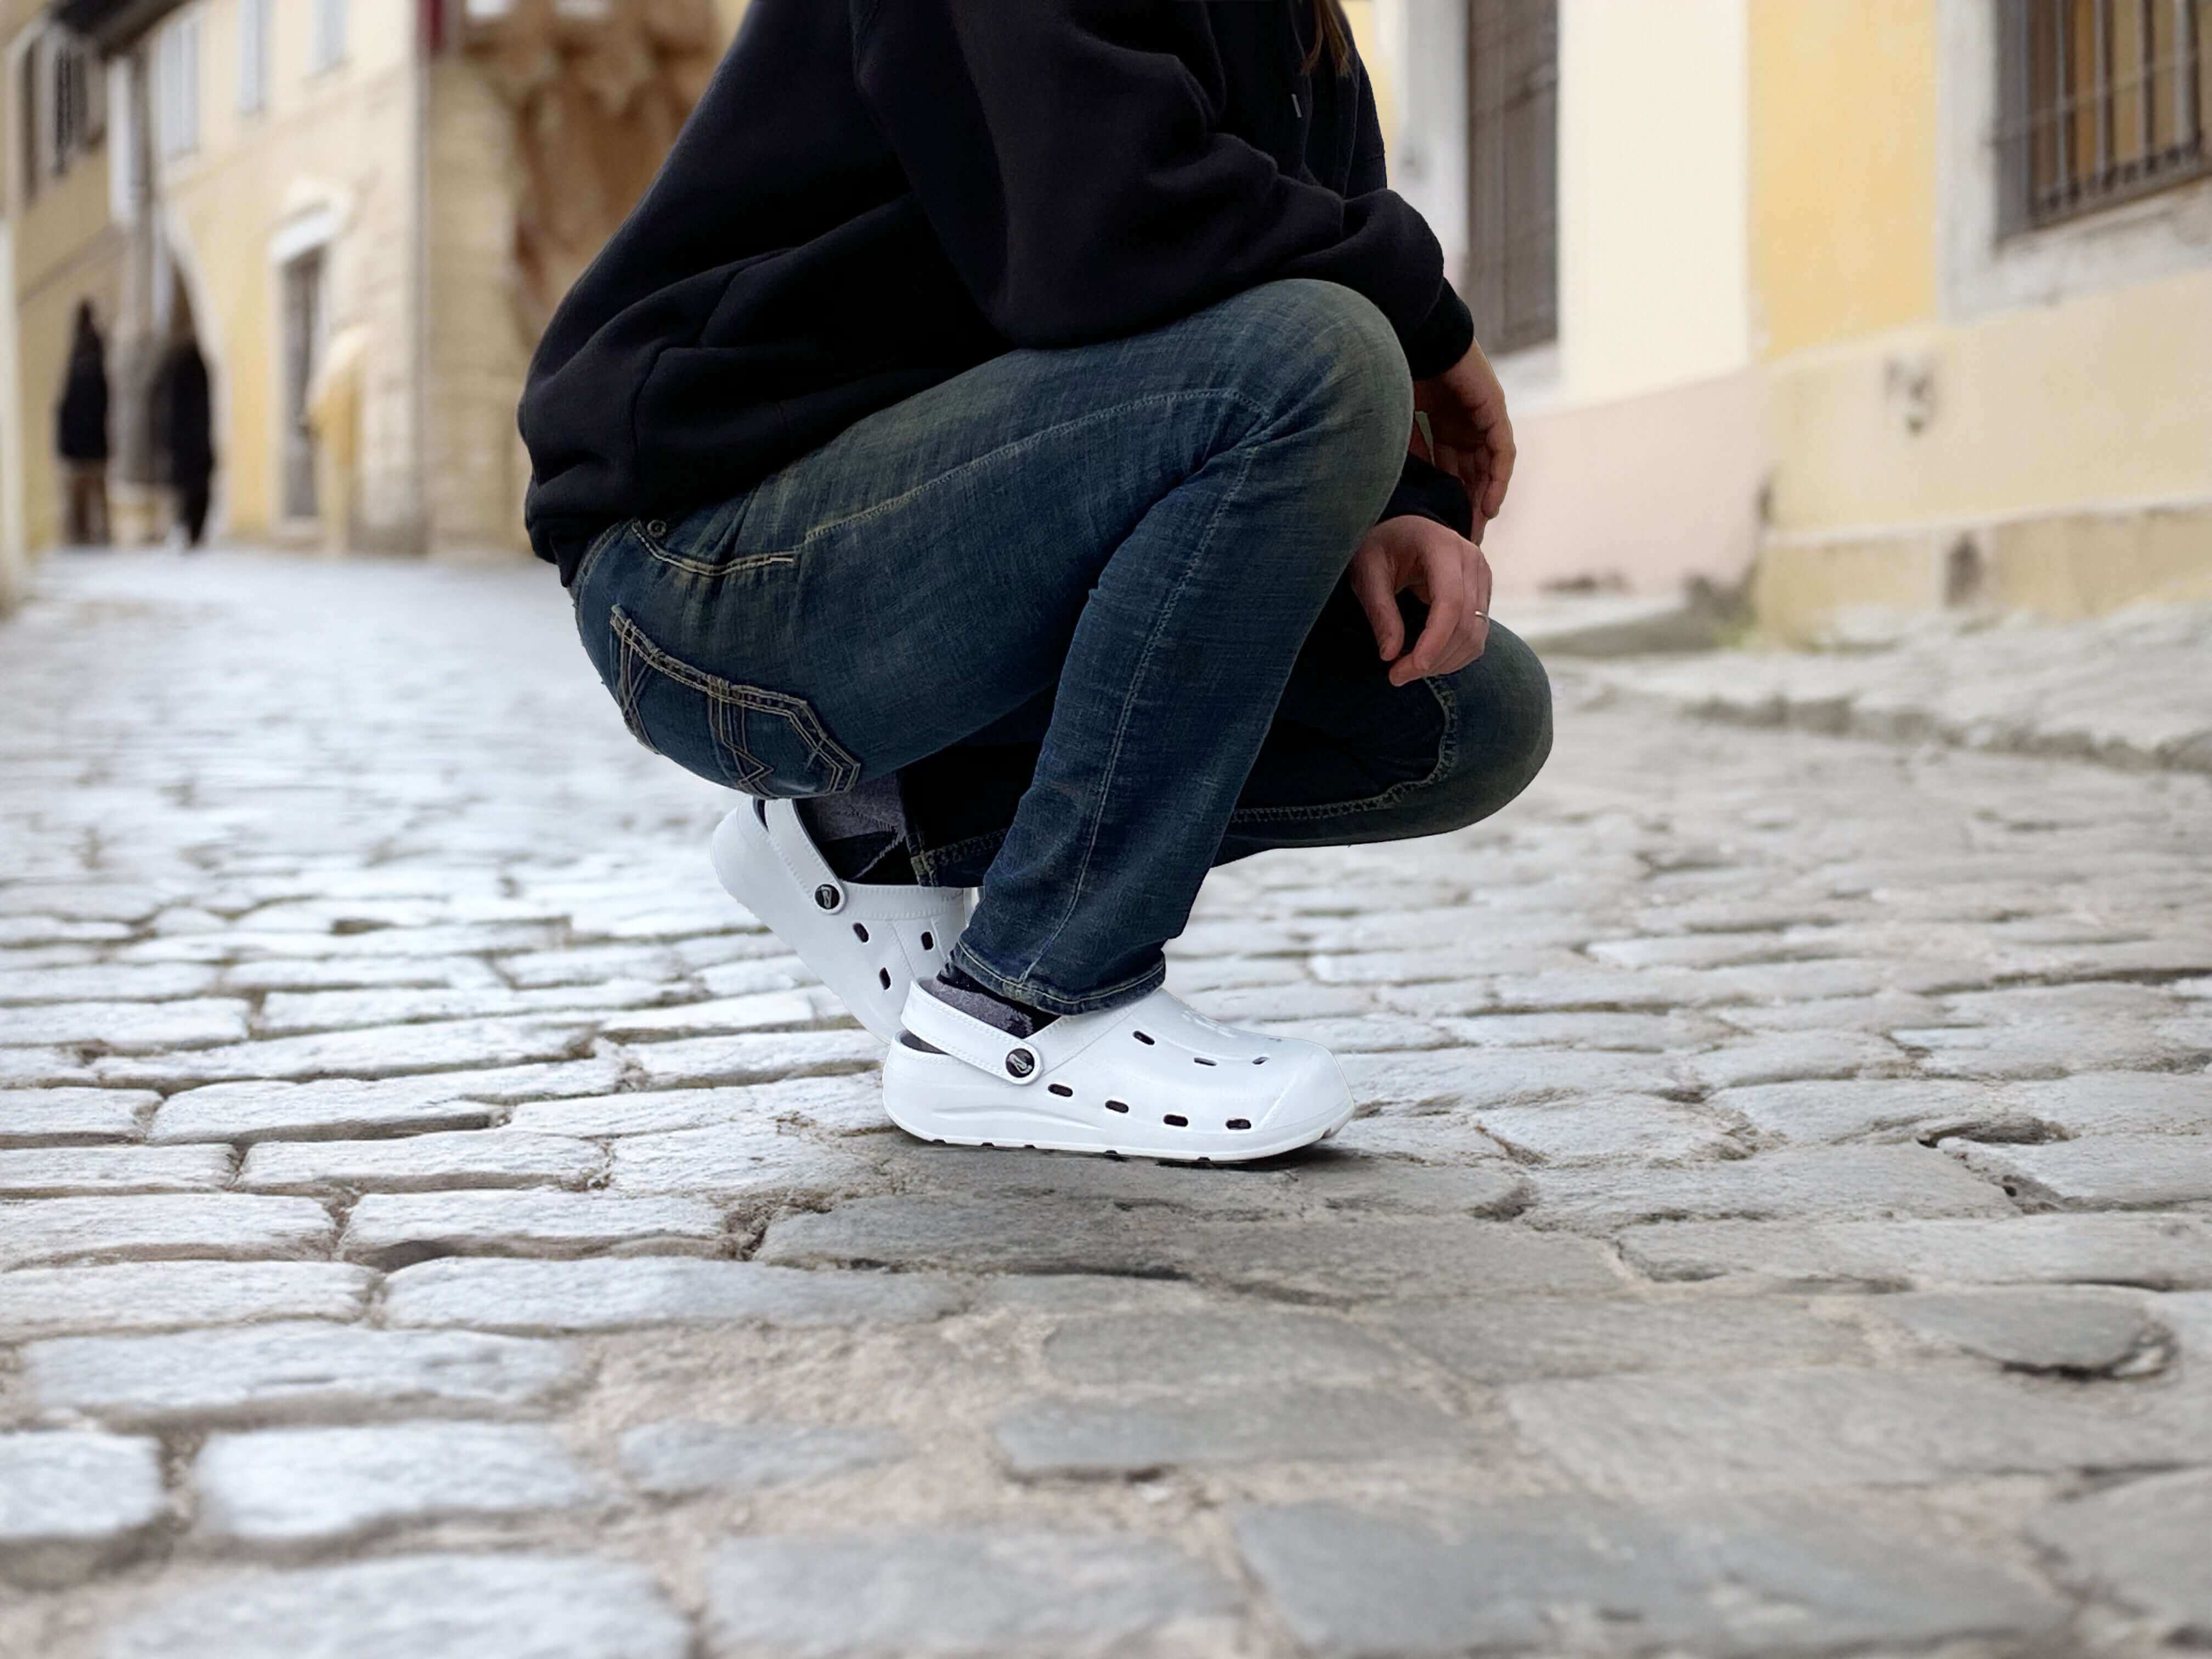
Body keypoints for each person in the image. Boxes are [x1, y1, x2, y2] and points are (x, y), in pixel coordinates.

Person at [520, 0, 1551, 1163]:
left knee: (1465, 718)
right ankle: (1026, 1008)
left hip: (928, 539)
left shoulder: (1304, 32)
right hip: (707, 568)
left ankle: (869, 830)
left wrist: (1384, 508)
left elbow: (1254, 281)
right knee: (1316, 354)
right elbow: (1105, 229)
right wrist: (1425, 323)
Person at [151, 307, 215, 550]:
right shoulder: (188, 366)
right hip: (193, 439)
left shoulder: (174, 367)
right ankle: (192, 531)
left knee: (188, 488)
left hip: (185, 440)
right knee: (195, 488)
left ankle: (190, 530)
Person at [57, 301, 111, 546]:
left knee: (81, 496)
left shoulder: (78, 356)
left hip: (81, 439)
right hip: (92, 438)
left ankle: (81, 537)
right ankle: (95, 535)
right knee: (95, 492)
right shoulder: (94, 353)